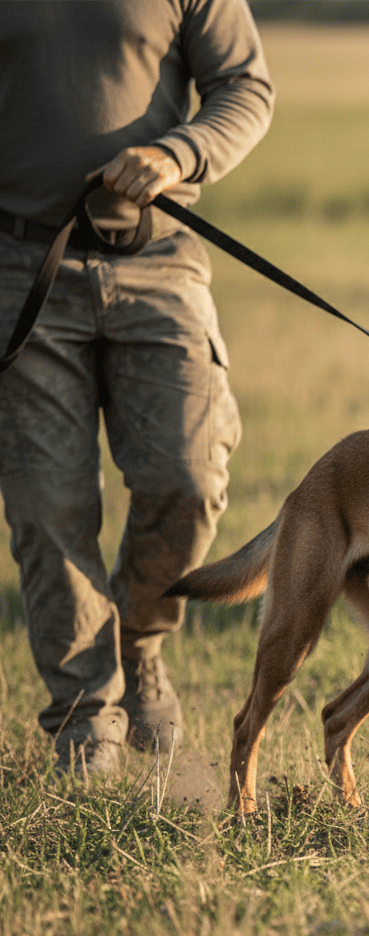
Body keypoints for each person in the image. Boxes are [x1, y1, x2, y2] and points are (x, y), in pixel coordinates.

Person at [0, 0, 275, 776]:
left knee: (187, 478)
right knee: (48, 509)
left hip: (158, 261)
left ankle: (139, 636)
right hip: (18, 271)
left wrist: (179, 152)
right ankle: (85, 723)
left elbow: (246, 87)